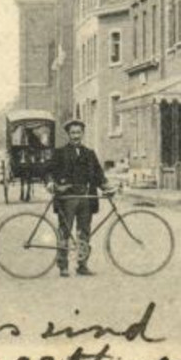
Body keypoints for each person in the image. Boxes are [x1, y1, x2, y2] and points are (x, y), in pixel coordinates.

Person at [47, 118, 110, 277]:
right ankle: (63, 266)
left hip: (86, 198)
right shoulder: (60, 153)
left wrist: (107, 187)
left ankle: (82, 265)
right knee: (65, 232)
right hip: (67, 198)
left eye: (78, 132)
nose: (76, 136)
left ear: (82, 134)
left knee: (84, 232)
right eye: (73, 133)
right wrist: (50, 183)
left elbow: (98, 175)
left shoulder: (89, 153)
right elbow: (48, 171)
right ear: (68, 134)